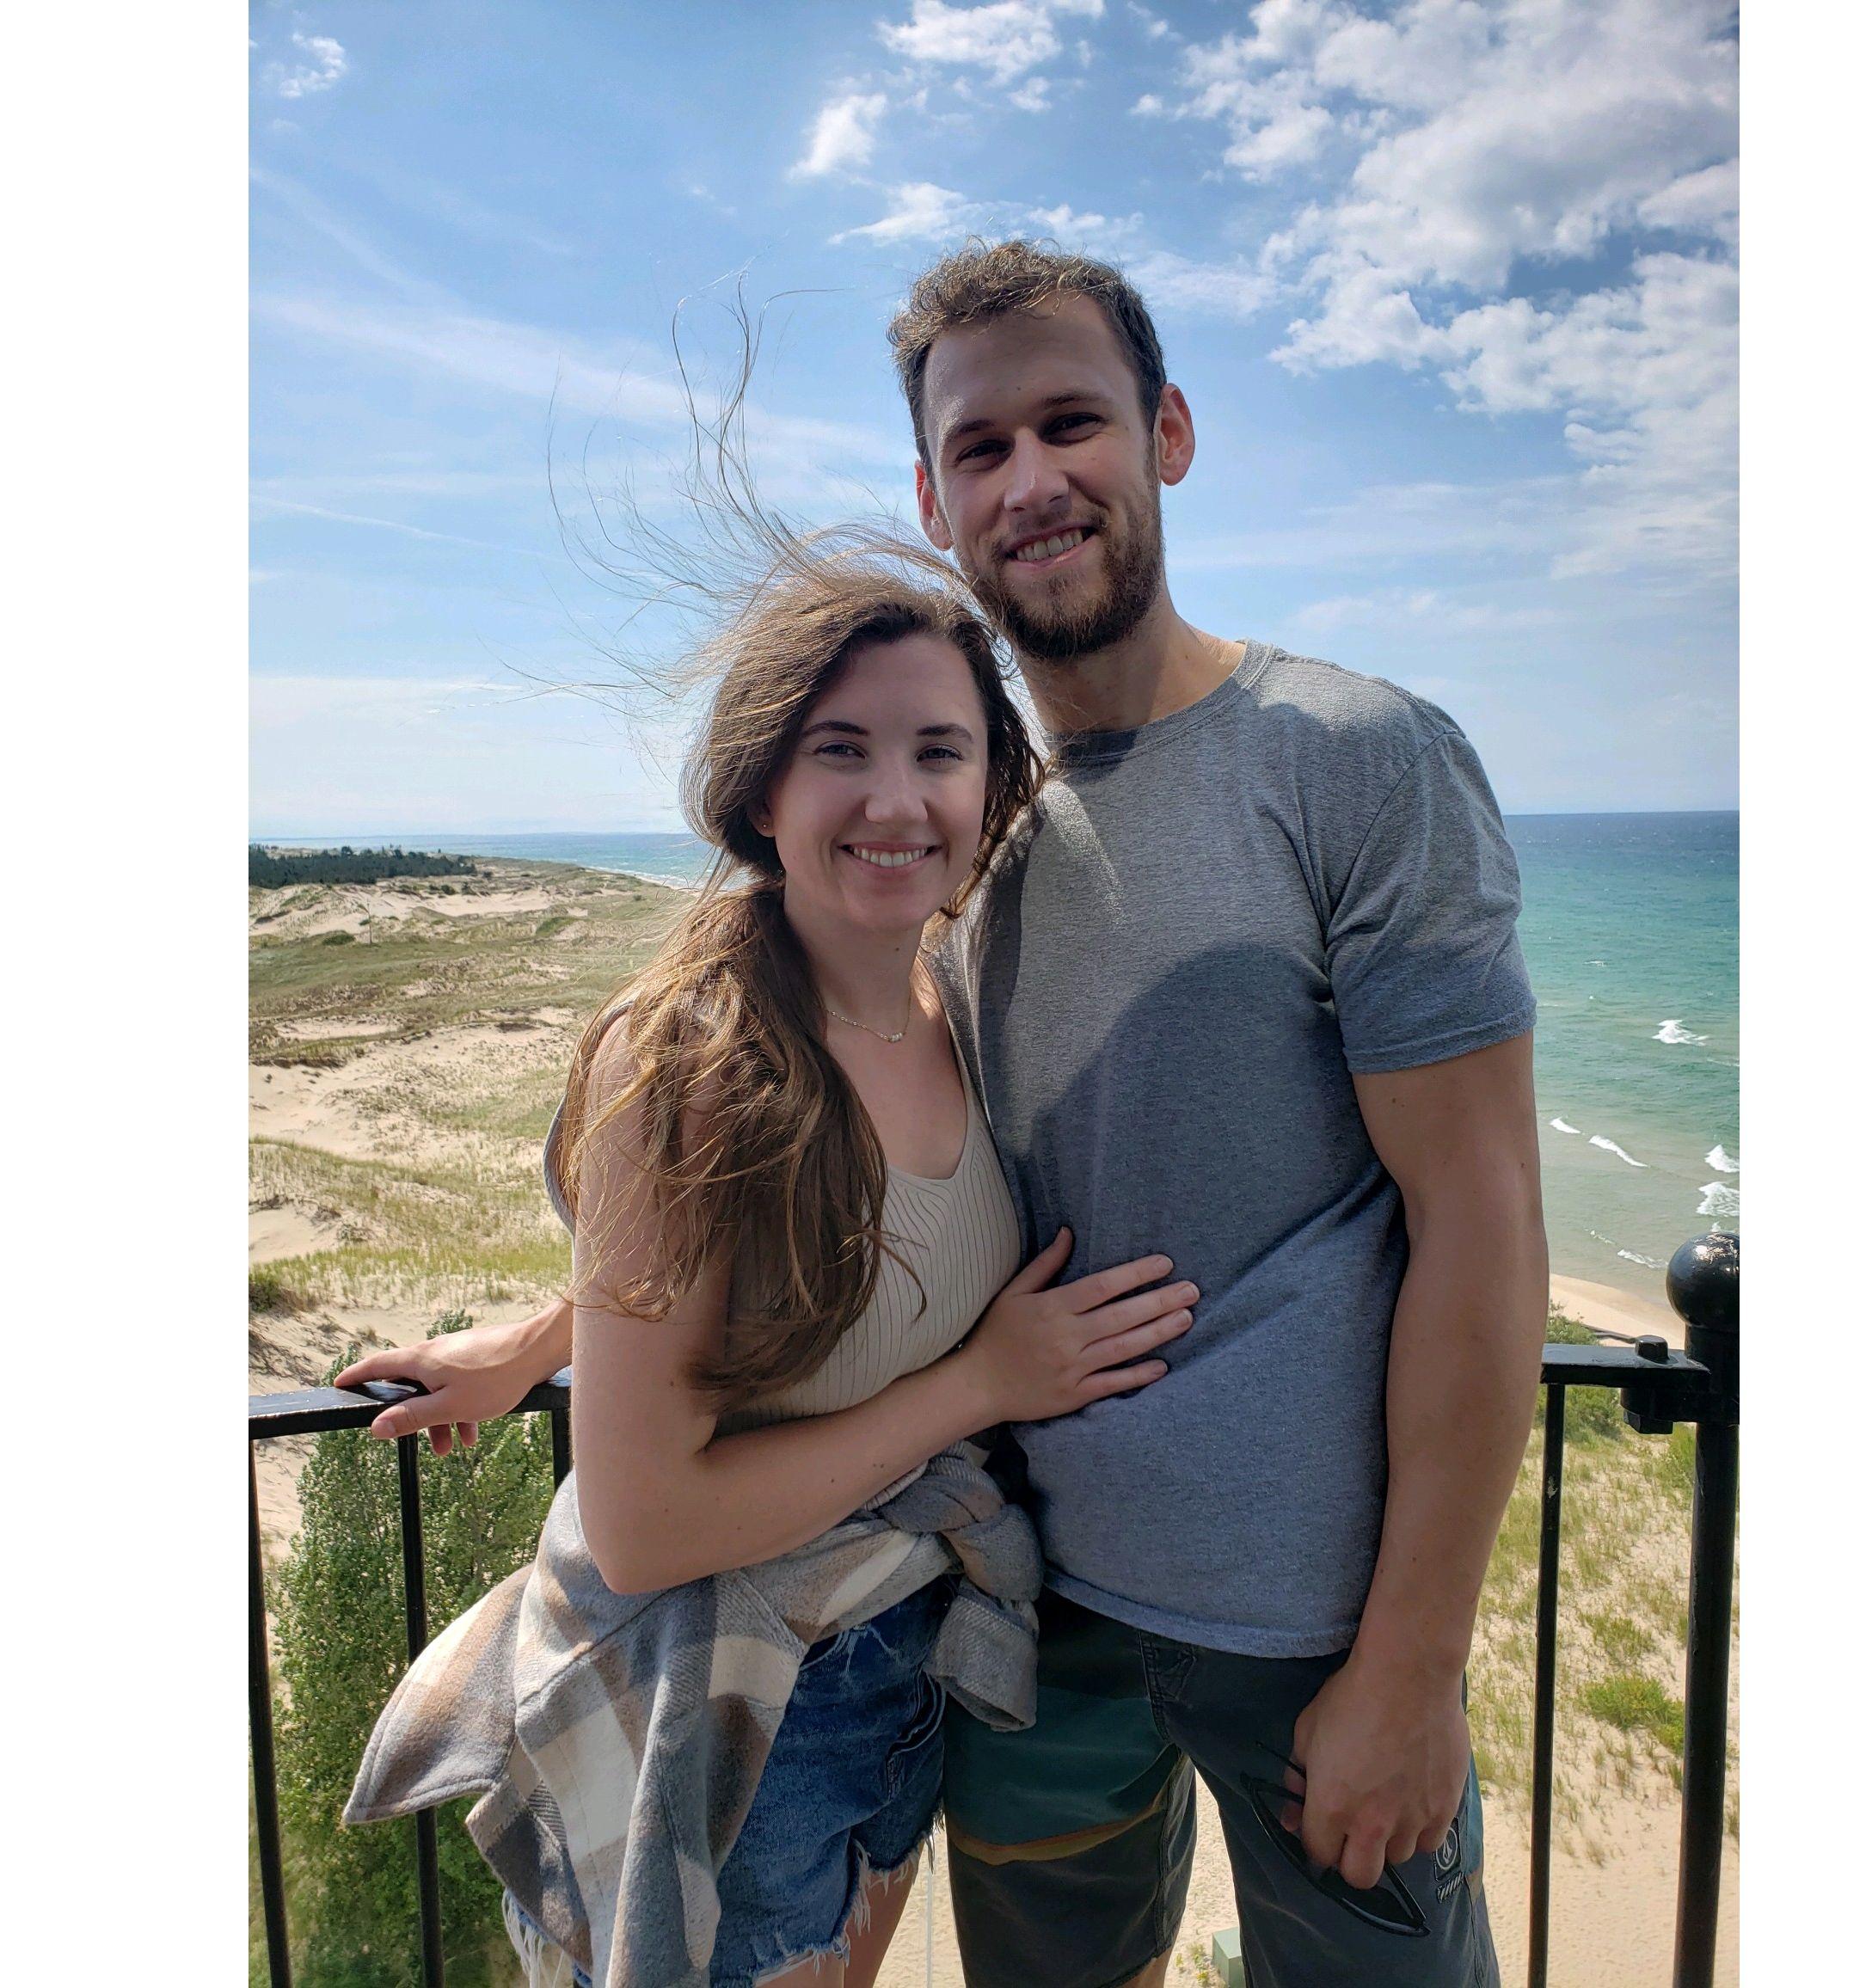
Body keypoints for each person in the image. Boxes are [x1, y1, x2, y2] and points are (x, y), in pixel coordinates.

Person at [352, 238, 1550, 1988]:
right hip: (1027, 1618)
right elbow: (813, 1183)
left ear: (1170, 434)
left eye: (1074, 422)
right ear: (934, 496)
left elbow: (1487, 1224)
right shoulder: (965, 844)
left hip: (1310, 1632)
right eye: (980, 448)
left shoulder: (1353, 759)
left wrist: (1414, 1661)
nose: (1032, 478)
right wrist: (549, 1341)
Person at [338, 527, 1199, 1988]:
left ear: (993, 788)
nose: (893, 797)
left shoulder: (956, 1004)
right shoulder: (684, 1061)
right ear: (762, 789)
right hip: (750, 1704)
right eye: (840, 749)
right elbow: (647, 1526)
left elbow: (797, 1277)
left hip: (899, 1644)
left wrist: (554, 1338)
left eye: (939, 750)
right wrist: (985, 1382)